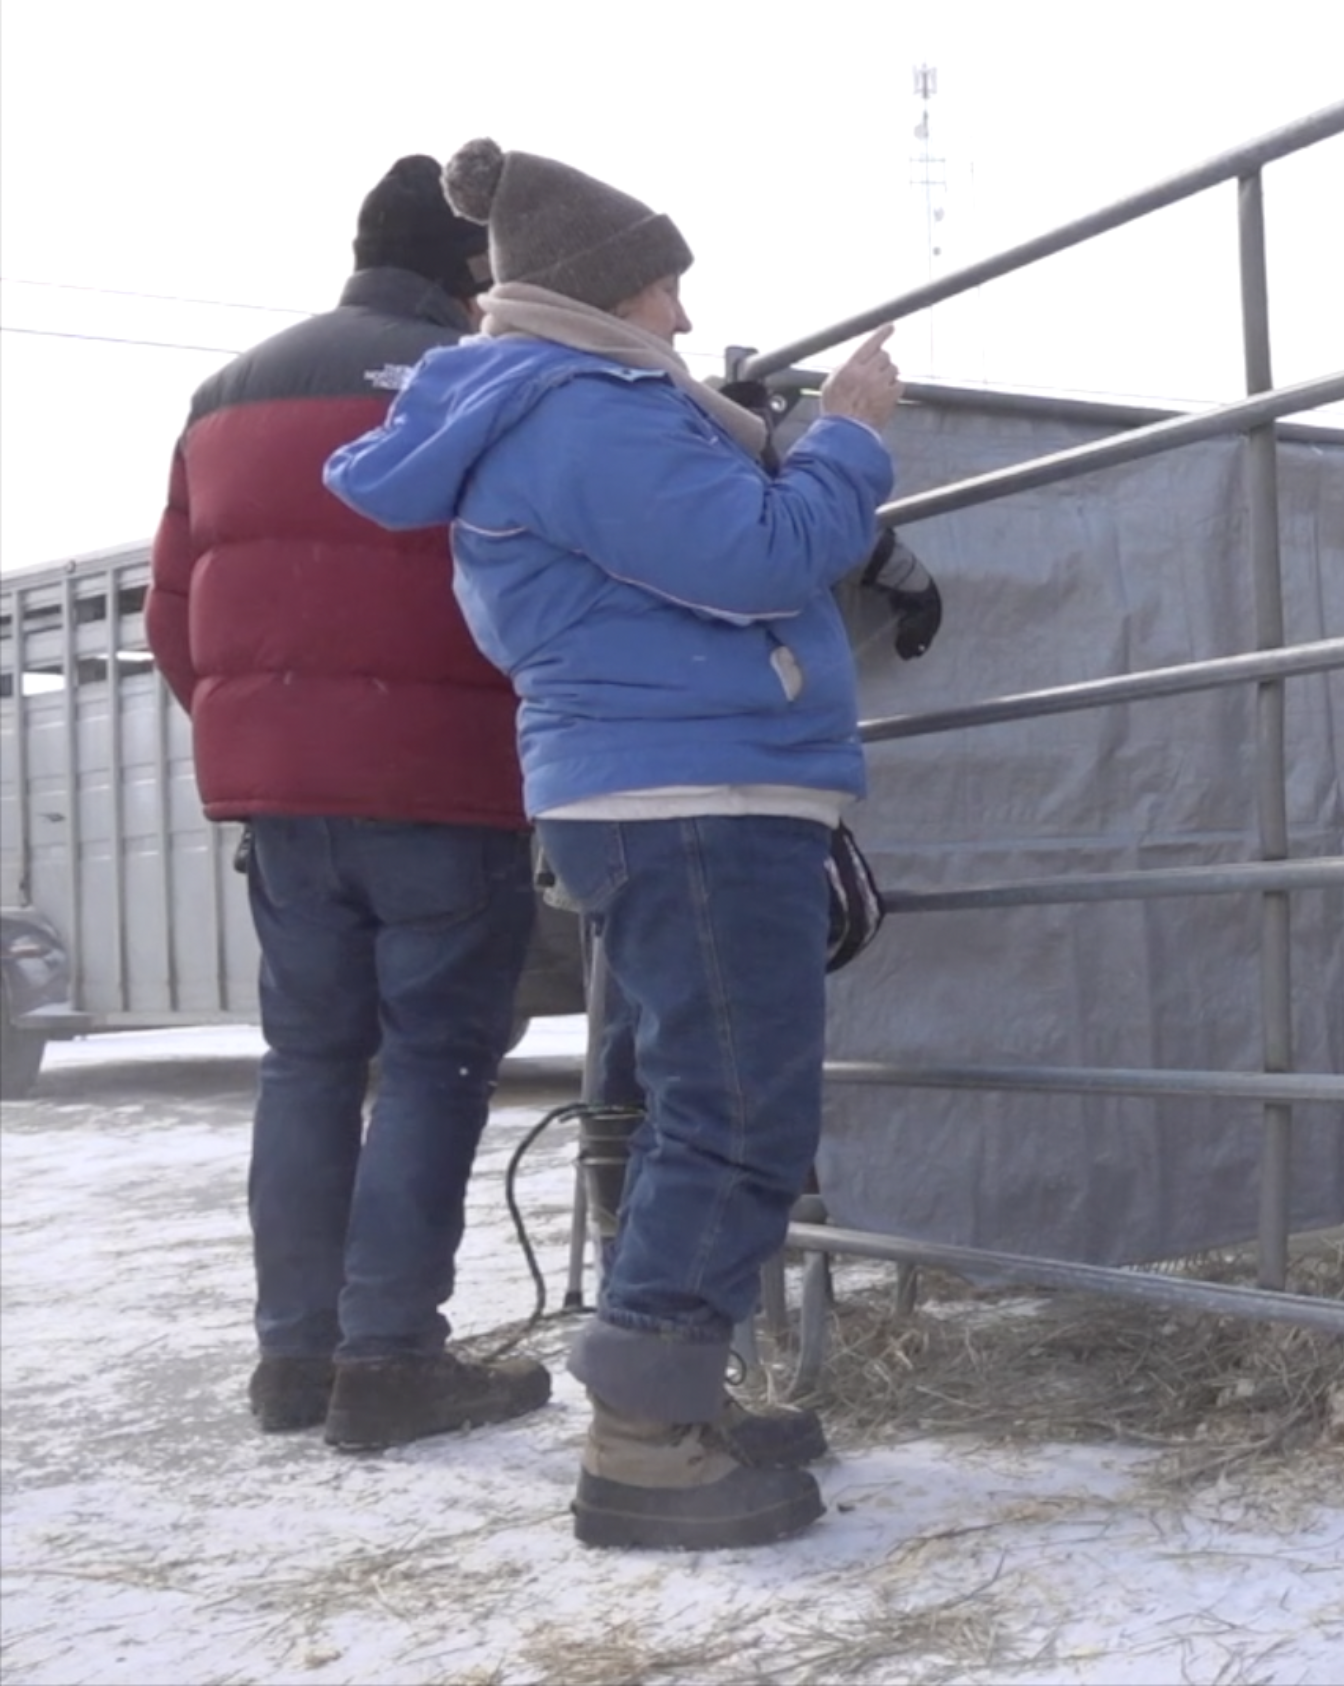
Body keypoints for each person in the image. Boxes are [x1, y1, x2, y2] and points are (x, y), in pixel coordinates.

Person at [326, 138, 905, 1552]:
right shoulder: (580, 411)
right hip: (691, 792)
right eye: (662, 286)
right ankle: (647, 1438)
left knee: (702, 1100)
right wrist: (850, 433)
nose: (684, 319)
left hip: (670, 788)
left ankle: (673, 1390)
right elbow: (766, 557)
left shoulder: (568, 403)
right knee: (740, 1109)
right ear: (596, 293)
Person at [147, 155, 552, 1452]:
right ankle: (387, 1360)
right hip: (445, 786)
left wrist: (258, 727)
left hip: (285, 801)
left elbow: (173, 609)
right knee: (433, 1063)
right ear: (469, 271)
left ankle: (294, 1361)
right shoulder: (473, 380)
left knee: (309, 1064)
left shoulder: (221, 395)